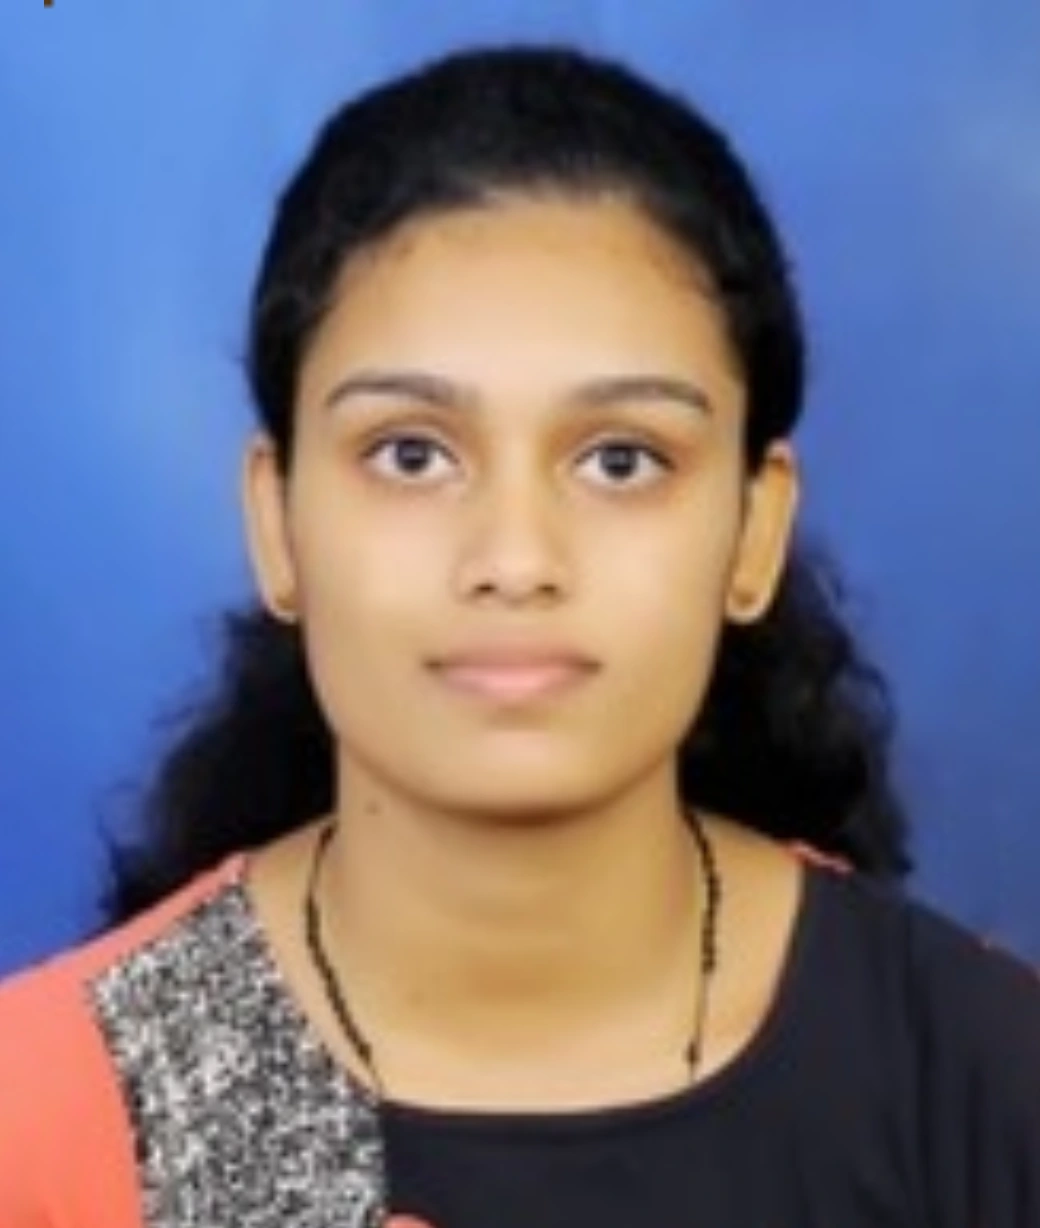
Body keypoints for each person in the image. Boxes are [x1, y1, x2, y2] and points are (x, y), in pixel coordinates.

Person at [1, 42, 1037, 1228]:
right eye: (410, 454)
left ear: (753, 532)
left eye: (619, 461)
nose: (514, 557)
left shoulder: (982, 1082)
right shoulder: (48, 1115)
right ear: (277, 522)